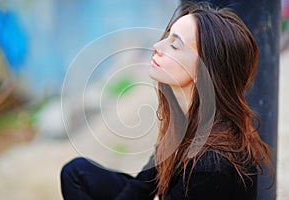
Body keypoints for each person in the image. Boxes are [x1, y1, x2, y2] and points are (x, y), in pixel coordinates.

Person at [60, 2, 274, 199]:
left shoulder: (210, 164)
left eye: (174, 45)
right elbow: (141, 187)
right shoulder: (186, 121)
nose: (157, 45)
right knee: (77, 173)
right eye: (167, 37)